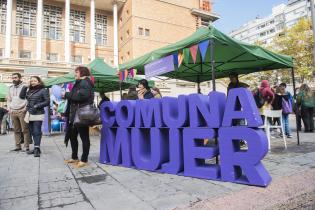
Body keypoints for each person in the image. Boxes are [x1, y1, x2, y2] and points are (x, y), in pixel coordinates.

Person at [64, 66, 94, 168]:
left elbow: (81, 96)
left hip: (81, 114)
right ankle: (74, 157)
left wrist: (67, 94)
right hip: (75, 114)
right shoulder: (79, 83)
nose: (75, 74)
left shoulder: (85, 82)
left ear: (82, 73)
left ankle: (84, 159)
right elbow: (76, 95)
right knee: (72, 136)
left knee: (84, 137)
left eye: (76, 72)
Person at [19, 76, 50, 157]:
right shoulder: (29, 90)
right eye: (31, 81)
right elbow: (21, 97)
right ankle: (36, 147)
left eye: (34, 81)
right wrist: (25, 86)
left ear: (39, 82)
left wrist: (37, 106)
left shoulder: (43, 90)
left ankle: (37, 149)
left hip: (38, 113)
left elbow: (47, 102)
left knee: (37, 131)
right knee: (32, 131)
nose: (33, 82)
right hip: (29, 112)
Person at [7, 73, 31, 151]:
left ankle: (26, 146)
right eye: (13, 78)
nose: (14, 79)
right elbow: (9, 99)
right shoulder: (10, 88)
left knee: (25, 130)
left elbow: (28, 99)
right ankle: (17, 146)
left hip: (22, 111)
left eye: (16, 77)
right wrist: (9, 108)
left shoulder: (25, 87)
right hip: (13, 111)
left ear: (20, 78)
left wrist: (25, 108)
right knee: (16, 130)